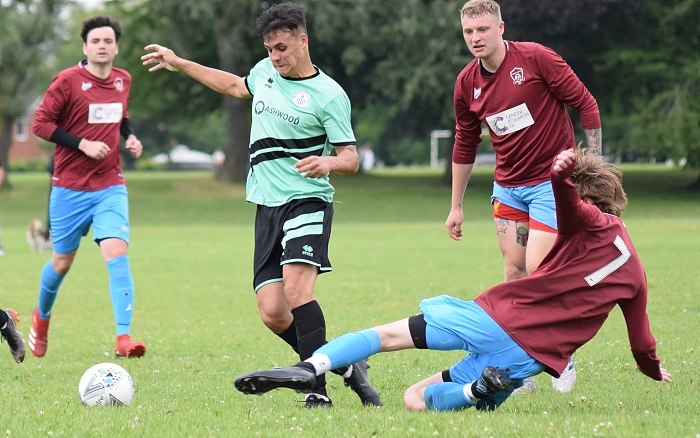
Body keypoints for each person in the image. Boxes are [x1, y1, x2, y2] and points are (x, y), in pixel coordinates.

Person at [235, 148, 672, 411]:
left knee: (386, 336)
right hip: (527, 360)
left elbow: (567, 201)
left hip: (493, 318)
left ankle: (312, 366)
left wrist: (560, 173)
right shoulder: (635, 272)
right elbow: (642, 344)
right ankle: (474, 390)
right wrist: (655, 373)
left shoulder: (589, 220)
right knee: (416, 399)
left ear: (591, 201)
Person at [141, 3, 380, 408]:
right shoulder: (265, 72)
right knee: (272, 311)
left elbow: (351, 158)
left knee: (297, 290)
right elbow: (234, 86)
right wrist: (179, 63)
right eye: (269, 49)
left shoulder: (330, 95)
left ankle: (316, 392)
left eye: (282, 48)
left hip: (307, 202)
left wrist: (329, 163)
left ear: (303, 40)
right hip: (267, 207)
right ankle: (345, 365)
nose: (275, 57)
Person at [444, 0, 603, 392]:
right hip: (508, 190)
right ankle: (517, 367)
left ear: (501, 27)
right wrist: (456, 207)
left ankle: (560, 358)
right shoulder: (467, 83)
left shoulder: (535, 58)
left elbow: (586, 103)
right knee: (513, 272)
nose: (476, 38)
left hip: (552, 185)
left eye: (483, 29)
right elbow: (465, 143)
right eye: (468, 32)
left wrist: (594, 166)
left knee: (539, 270)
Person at [30, 16, 146, 359]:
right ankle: (42, 318)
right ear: (85, 47)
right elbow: (40, 124)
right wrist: (81, 143)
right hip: (68, 188)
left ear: (116, 47)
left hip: (110, 184)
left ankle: (124, 338)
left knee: (117, 253)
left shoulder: (123, 80)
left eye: (108, 41)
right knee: (62, 261)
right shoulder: (67, 81)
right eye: (95, 41)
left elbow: (120, 114)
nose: (102, 46)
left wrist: (131, 137)